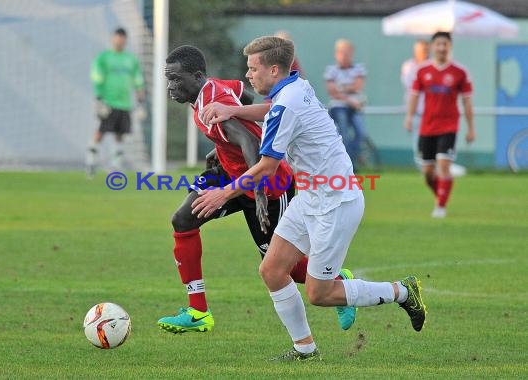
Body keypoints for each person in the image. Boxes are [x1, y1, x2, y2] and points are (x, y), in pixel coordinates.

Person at [195, 36, 427, 361]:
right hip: (311, 197)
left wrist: (224, 192)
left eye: (253, 68)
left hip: (336, 203)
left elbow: (266, 167)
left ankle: (403, 292)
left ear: (273, 69)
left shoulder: (288, 101)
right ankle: (305, 349)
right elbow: (274, 110)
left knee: (321, 293)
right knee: (272, 270)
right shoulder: (295, 86)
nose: (248, 75)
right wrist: (232, 109)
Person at [157, 45, 357, 334]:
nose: (170, 86)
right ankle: (198, 311)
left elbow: (249, 143)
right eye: (168, 79)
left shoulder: (212, 105)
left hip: (269, 184)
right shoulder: (212, 89)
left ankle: (339, 280)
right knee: (183, 219)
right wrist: (222, 146)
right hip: (230, 173)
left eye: (176, 79)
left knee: (281, 267)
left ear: (198, 76)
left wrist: (260, 194)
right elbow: (243, 95)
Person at [404, 32, 475, 218]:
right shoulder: (422, 71)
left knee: (443, 166)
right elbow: (414, 96)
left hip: (449, 126)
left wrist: (471, 128)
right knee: (428, 172)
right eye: (438, 44)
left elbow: (467, 102)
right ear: (432, 46)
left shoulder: (460, 72)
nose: (442, 48)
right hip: (427, 127)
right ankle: (441, 195)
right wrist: (409, 117)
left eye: (445, 44)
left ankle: (440, 207)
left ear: (450, 46)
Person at [86, 28, 145, 178]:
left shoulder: (131, 59)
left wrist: (140, 98)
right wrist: (99, 98)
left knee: (120, 134)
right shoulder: (104, 57)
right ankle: (91, 161)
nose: (120, 41)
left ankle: (115, 166)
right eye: (118, 38)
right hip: (108, 103)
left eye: (123, 39)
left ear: (125, 40)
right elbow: (97, 76)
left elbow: (137, 79)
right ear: (113, 39)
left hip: (125, 103)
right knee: (101, 131)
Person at [324, 39, 367, 167]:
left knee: (361, 133)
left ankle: (350, 159)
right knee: (345, 136)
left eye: (347, 52)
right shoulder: (331, 70)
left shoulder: (359, 68)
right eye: (342, 52)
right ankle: (346, 165)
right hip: (339, 107)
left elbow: (357, 86)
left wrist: (341, 87)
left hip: (355, 107)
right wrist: (349, 98)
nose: (344, 55)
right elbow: (332, 92)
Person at [401, 40, 429, 167]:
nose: (420, 53)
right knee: (418, 141)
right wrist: (409, 116)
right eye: (418, 50)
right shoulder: (408, 66)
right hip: (416, 110)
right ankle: (422, 167)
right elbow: (412, 88)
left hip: (431, 110)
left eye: (423, 50)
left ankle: (432, 166)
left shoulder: (432, 65)